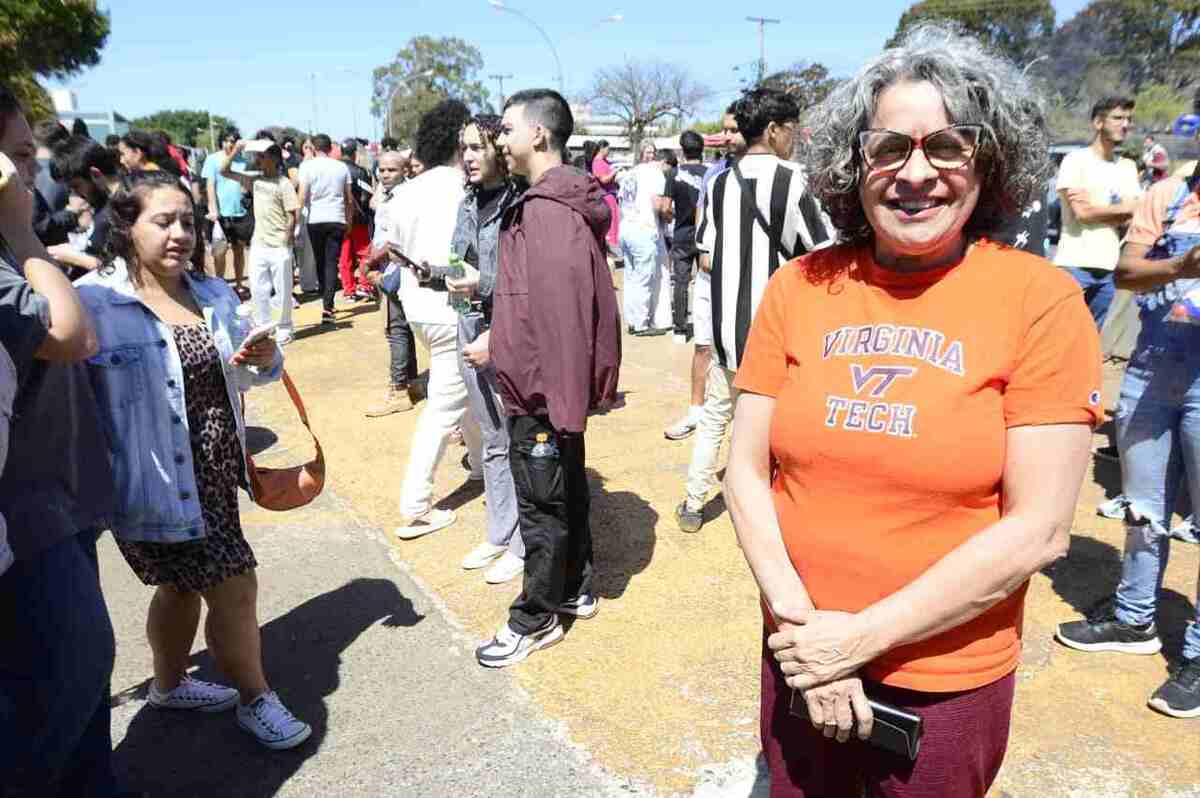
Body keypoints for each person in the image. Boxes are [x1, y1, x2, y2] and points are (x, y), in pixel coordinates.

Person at [724, 27, 1102, 795]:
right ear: (853, 164)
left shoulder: (1041, 300)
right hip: (797, 648)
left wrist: (857, 640)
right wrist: (802, 632)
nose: (916, 173)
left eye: (948, 147)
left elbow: (1039, 529)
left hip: (944, 678)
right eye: (889, 148)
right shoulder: (799, 285)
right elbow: (743, 467)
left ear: (987, 160)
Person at [75, 169, 311, 750]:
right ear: (126, 228)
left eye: (188, 221)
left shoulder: (211, 292)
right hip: (152, 481)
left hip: (215, 475)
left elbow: (256, 371)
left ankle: (168, 683)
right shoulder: (95, 304)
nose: (179, 233)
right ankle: (256, 698)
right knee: (235, 584)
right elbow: (72, 407)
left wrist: (262, 355)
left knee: (179, 588)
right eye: (162, 221)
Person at [0, 83, 120, 797]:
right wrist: (21, 233)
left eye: (24, 157)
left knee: (84, 686)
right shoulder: (12, 236)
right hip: (29, 505)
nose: (21, 175)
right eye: (12, 157)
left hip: (67, 489)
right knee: (71, 666)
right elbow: (69, 335)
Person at [476, 88, 621, 667]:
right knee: (565, 486)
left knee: (542, 503)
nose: (500, 141)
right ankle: (575, 586)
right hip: (541, 383)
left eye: (508, 129)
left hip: (540, 389)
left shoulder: (547, 211)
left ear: (538, 134)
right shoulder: (545, 202)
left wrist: (558, 404)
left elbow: (564, 315)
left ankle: (535, 617)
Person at [1054, 168, 1200, 719]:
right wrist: (1179, 266)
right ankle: (1134, 616)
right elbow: (1128, 272)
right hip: (1151, 371)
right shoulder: (1167, 196)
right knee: (1142, 507)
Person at [674, 87, 832, 534]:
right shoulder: (794, 181)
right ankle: (771, 512)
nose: (795, 138)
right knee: (773, 430)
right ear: (774, 129)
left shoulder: (721, 181)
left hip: (727, 332)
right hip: (777, 335)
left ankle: (692, 501)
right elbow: (822, 251)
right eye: (791, 130)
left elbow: (705, 254)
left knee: (714, 420)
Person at [390, 99, 482, 540]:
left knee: (464, 388)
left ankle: (482, 465)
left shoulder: (405, 190)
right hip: (454, 307)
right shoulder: (464, 186)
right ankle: (416, 505)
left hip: (417, 310)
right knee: (445, 405)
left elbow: (391, 247)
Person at [450, 113, 525, 585]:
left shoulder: (520, 202)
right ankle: (500, 532)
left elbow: (528, 275)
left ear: (499, 148)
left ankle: (522, 543)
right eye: (464, 147)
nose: (469, 156)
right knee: (492, 436)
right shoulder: (468, 201)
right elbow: (460, 257)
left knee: (517, 435)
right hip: (468, 323)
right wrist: (441, 274)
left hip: (506, 330)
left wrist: (485, 282)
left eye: (478, 146)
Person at [664, 110, 747, 443]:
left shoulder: (774, 174)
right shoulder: (714, 173)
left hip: (745, 280)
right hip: (711, 278)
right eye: (724, 130)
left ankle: (744, 425)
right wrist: (704, 253)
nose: (726, 137)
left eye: (733, 130)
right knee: (703, 346)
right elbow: (702, 219)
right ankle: (696, 410)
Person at [1053, 97, 1142, 329]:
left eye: (1128, 119)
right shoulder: (1076, 161)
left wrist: (1098, 210)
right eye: (1118, 118)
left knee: (1091, 339)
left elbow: (1132, 214)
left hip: (1108, 268)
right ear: (1098, 123)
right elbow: (1082, 214)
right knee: (1059, 334)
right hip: (1073, 264)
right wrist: (1119, 211)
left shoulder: (1127, 167)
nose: (1125, 124)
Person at [220, 140, 300, 345]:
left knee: (283, 289)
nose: (258, 160)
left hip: (279, 245)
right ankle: (264, 325)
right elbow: (224, 170)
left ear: (273, 159)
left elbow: (292, 215)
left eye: (262, 156)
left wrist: (286, 238)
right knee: (257, 287)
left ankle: (284, 327)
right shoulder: (254, 180)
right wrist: (236, 149)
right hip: (259, 243)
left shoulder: (284, 183)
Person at [363, 149, 422, 416]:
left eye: (392, 170)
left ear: (405, 171)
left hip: (394, 267)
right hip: (390, 266)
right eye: (382, 170)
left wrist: (369, 261)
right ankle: (411, 382)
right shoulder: (390, 194)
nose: (385, 175)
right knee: (402, 328)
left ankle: (398, 389)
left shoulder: (403, 197)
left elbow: (392, 240)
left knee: (395, 328)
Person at [46, 135, 122, 276]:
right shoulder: (104, 206)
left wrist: (77, 258)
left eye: (76, 186)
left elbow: (125, 271)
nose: (76, 194)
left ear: (95, 175)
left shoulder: (123, 210)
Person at [619, 140, 672, 335]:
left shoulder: (629, 174)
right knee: (644, 277)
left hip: (627, 228)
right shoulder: (654, 173)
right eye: (647, 152)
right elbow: (658, 204)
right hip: (643, 229)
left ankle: (633, 320)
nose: (650, 156)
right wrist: (670, 215)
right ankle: (642, 324)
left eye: (653, 152)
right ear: (641, 153)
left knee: (631, 277)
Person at [297, 133, 351, 325]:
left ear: (313, 148)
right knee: (331, 262)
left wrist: (296, 220)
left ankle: (325, 300)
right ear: (329, 148)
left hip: (315, 219)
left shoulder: (307, 167)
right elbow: (348, 198)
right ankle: (328, 305)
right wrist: (349, 220)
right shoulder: (341, 167)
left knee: (320, 261)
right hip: (336, 218)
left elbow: (302, 195)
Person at [666, 132, 708, 346]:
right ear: (702, 149)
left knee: (681, 282)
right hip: (705, 236)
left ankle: (680, 329)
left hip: (681, 235)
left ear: (683, 149)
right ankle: (707, 325)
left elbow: (665, 207)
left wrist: (674, 216)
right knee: (708, 282)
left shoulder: (674, 173)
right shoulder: (712, 173)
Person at [202, 128, 253, 296]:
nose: (229, 144)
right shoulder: (212, 159)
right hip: (221, 214)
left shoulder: (243, 161)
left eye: (232, 141)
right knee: (220, 251)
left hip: (239, 212)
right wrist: (213, 209)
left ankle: (239, 284)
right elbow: (210, 186)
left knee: (239, 250)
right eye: (226, 140)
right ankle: (221, 284)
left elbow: (247, 185)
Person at [31, 119, 81, 247]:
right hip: (59, 250)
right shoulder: (68, 173)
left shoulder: (19, 172)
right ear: (63, 143)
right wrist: (72, 212)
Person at [338, 137, 375, 302]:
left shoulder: (335, 170)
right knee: (363, 254)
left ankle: (348, 290)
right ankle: (365, 286)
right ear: (354, 154)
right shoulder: (361, 171)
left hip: (340, 219)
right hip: (359, 219)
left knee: (344, 256)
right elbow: (366, 197)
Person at [591, 139, 621, 265]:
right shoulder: (597, 162)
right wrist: (615, 171)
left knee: (614, 225)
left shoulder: (605, 162)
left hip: (611, 195)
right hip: (605, 196)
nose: (609, 152)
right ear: (602, 148)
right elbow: (603, 179)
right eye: (608, 149)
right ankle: (605, 254)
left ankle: (609, 252)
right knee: (608, 226)